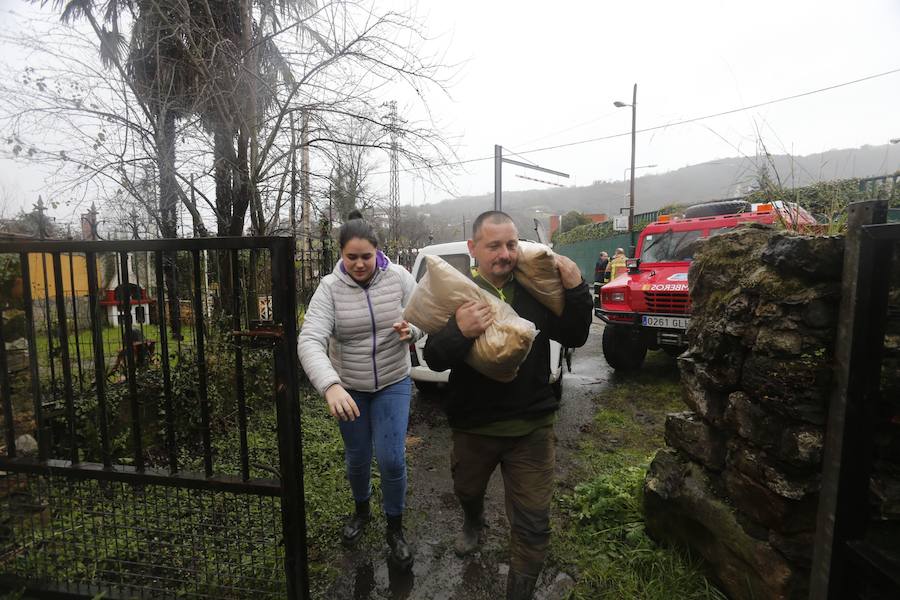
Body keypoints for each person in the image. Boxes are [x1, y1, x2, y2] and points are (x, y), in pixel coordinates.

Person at [423, 211, 592, 599]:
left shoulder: (536, 290)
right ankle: (473, 520)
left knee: (533, 524)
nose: (505, 254)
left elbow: (576, 335)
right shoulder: (458, 291)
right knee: (467, 490)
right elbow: (434, 358)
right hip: (473, 427)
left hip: (531, 427)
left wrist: (577, 288)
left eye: (511, 244)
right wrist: (458, 331)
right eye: (494, 245)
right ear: (473, 248)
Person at [298, 210, 421, 570]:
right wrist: (330, 385)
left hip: (393, 381)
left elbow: (425, 315)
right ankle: (362, 510)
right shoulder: (329, 288)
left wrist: (413, 332)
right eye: (351, 257)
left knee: (392, 459)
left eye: (366, 256)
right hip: (350, 388)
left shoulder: (398, 277)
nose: (359, 264)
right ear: (341, 253)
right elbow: (309, 340)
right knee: (357, 456)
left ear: (377, 251)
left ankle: (395, 529)